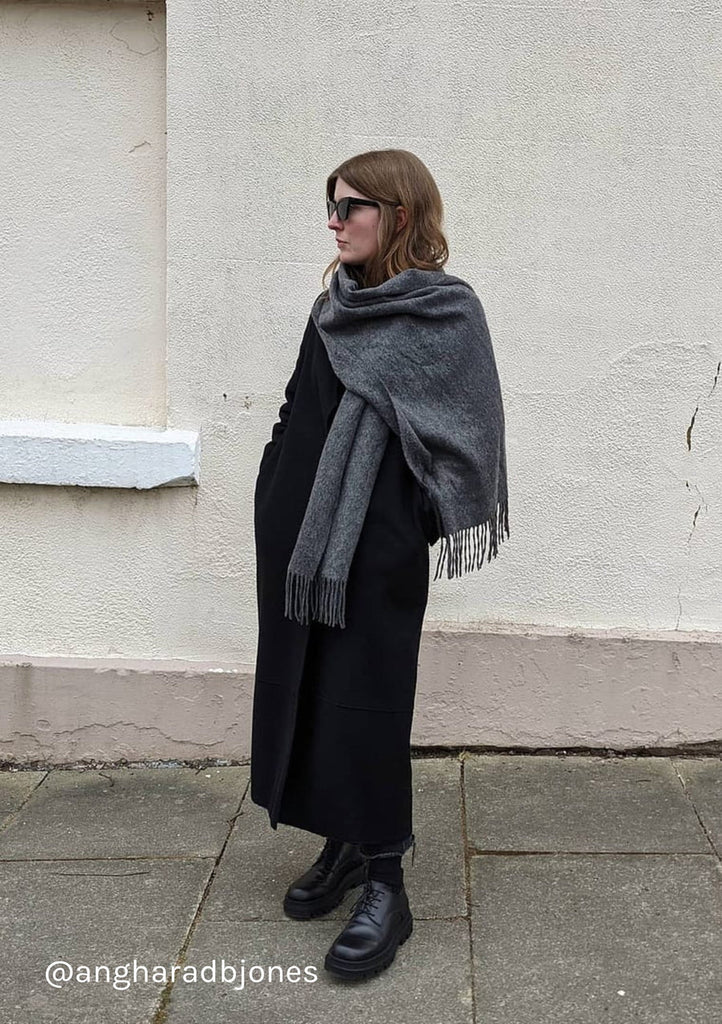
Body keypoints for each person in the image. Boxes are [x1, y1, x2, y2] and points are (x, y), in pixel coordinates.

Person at [251, 149, 509, 981]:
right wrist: (272, 489)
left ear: (398, 213)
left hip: (378, 549)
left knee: (369, 701)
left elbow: (473, 435)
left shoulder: (446, 311)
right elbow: (297, 405)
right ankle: (343, 843)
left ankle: (387, 885)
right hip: (299, 544)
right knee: (309, 689)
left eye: (350, 206)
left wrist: (408, 524)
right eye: (331, 206)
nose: (334, 222)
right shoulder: (332, 308)